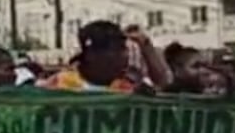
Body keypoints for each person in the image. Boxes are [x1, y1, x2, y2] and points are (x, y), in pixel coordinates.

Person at [41, 21, 169, 92]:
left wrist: (146, 45)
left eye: (124, 48)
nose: (124, 55)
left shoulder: (128, 86)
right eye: (116, 50)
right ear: (91, 54)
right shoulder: (58, 85)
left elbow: (164, 83)